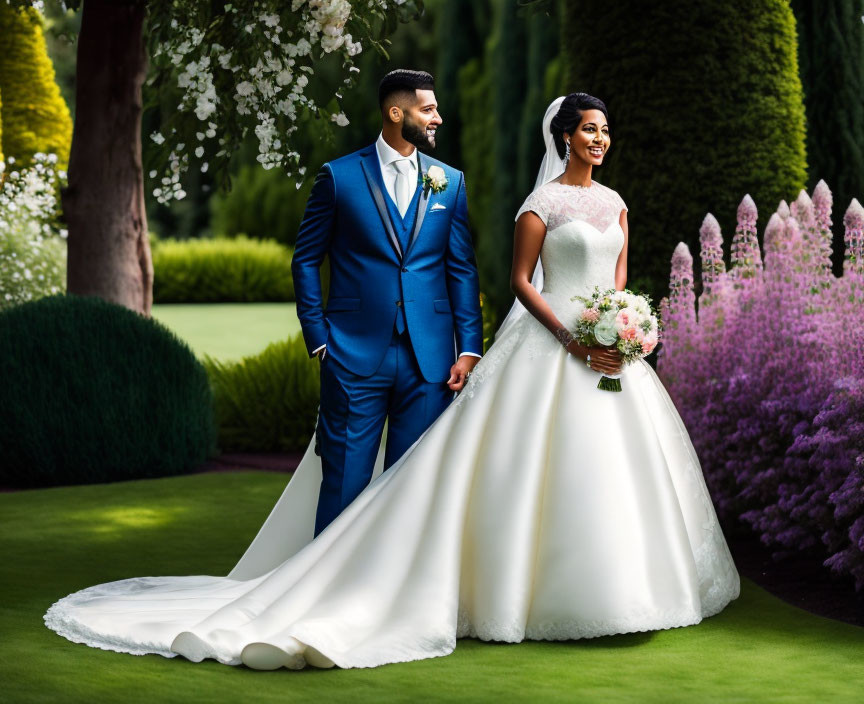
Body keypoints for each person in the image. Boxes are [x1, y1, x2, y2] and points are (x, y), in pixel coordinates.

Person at [45, 93, 740, 670]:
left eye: (606, 130)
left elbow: (615, 280)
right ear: (564, 136)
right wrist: (570, 336)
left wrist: (620, 325)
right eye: (590, 129)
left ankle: (625, 592)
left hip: (606, 355)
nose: (601, 139)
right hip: (543, 344)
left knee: (613, 472)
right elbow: (520, 281)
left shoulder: (615, 202)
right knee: (483, 466)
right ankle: (395, 581)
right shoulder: (542, 204)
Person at [291, 69, 483, 536]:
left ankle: (399, 602)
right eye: (428, 109)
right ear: (397, 113)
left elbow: (460, 268)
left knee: (414, 487)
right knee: (343, 482)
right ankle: (327, 596)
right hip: (353, 354)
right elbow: (305, 260)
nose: (438, 117)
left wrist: (469, 347)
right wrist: (319, 339)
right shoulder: (338, 178)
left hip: (430, 359)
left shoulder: (449, 182)